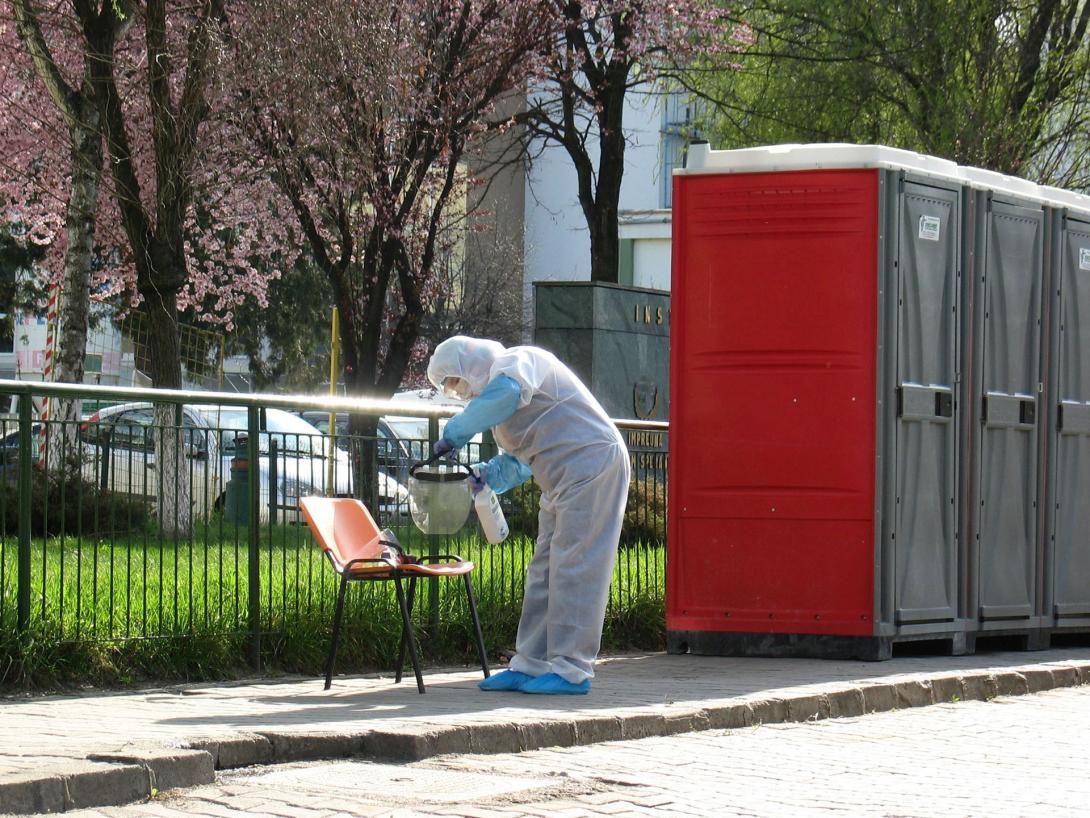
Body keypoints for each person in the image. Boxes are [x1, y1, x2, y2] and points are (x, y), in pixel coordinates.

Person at [427, 336, 630, 695]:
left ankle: (572, 671)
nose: (458, 393)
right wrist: (486, 475)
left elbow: (505, 393)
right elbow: (521, 463)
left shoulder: (519, 361)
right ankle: (530, 664)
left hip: (592, 465)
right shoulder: (501, 418)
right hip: (562, 478)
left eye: (455, 382)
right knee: (544, 570)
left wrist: (456, 431)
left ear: (468, 363)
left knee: (576, 565)